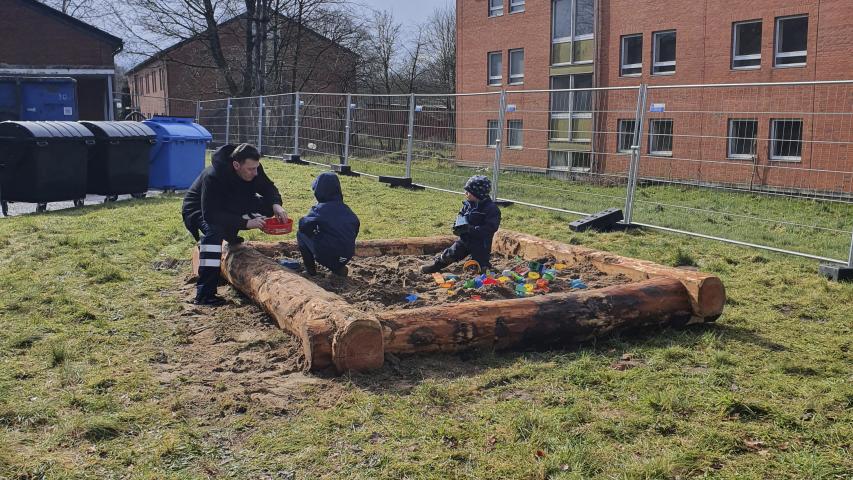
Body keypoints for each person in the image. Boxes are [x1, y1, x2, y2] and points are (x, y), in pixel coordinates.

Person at [182, 143, 288, 306]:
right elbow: (210, 214)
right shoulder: (213, 176)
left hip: (232, 203)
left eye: (257, 168)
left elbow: (268, 187)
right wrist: (246, 223)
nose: (255, 173)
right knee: (214, 233)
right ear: (236, 165)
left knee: (267, 206)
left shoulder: (253, 168)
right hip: (201, 209)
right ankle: (205, 294)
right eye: (251, 169)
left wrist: (276, 205)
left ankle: (230, 233)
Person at [420, 175, 501, 274]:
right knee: (451, 253)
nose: (465, 193)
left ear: (478, 194)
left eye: (468, 192)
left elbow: (490, 228)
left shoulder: (491, 209)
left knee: (480, 264)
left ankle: (484, 269)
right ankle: (436, 265)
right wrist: (457, 226)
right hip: (465, 239)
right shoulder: (468, 204)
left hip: (481, 243)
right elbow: (461, 215)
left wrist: (471, 229)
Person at [297, 172, 360, 276]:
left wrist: (313, 229)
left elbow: (303, 225)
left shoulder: (319, 209)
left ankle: (310, 271)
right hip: (347, 255)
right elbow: (356, 224)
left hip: (327, 255)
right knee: (335, 239)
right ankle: (338, 268)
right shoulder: (346, 209)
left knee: (301, 234)